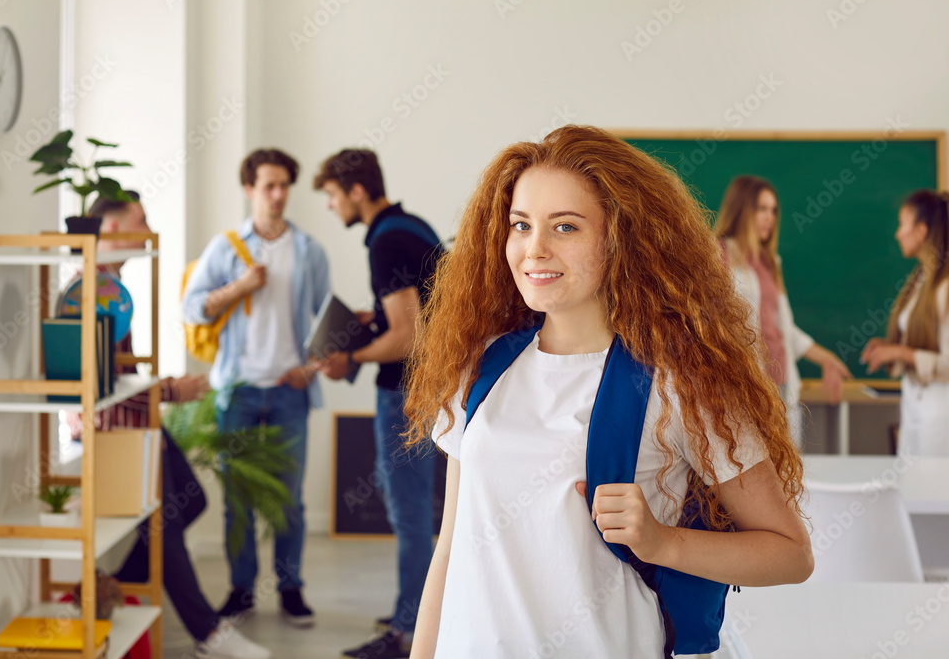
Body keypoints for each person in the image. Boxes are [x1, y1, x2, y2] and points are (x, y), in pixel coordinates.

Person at [401, 126, 813, 658]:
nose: (535, 249)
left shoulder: (681, 385)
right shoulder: (479, 369)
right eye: (520, 226)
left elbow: (791, 555)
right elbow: (451, 548)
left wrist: (663, 542)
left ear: (622, 238)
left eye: (565, 227)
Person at [68, 193, 271, 659]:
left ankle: (111, 589)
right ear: (114, 230)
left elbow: (115, 372)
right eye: (141, 221)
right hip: (118, 434)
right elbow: (98, 382)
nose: (149, 228)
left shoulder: (110, 285)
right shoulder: (94, 290)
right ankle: (209, 635)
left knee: (190, 500)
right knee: (164, 527)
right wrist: (170, 391)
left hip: (140, 425)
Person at [181, 149, 330, 625]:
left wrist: (309, 370)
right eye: (269, 185)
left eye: (285, 184)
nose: (278, 194)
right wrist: (238, 288)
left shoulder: (309, 251)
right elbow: (192, 308)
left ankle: (290, 589)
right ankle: (241, 589)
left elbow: (329, 324)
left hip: (290, 391)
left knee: (289, 500)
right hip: (239, 392)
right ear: (249, 189)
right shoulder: (226, 248)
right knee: (238, 500)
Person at [313, 149, 443, 659]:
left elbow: (408, 336)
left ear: (357, 191)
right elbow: (418, 314)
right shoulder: (410, 226)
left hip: (404, 393)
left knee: (408, 513)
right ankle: (412, 609)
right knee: (414, 511)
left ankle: (409, 633)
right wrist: (375, 322)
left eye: (331, 195)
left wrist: (351, 357)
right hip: (426, 389)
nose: (329, 205)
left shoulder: (385, 242)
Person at [714, 175, 852, 446]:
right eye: (762, 209)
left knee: (787, 474)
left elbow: (780, 328)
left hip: (781, 383)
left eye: (774, 210)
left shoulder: (769, 262)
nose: (770, 218)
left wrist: (825, 358)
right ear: (741, 209)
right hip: (743, 387)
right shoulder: (717, 256)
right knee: (750, 471)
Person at [861, 189, 949, 456]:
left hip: (939, 415)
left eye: (902, 224)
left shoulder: (945, 288)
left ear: (921, 231)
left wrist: (899, 352)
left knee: (932, 494)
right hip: (916, 406)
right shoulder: (921, 281)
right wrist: (890, 347)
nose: (898, 233)